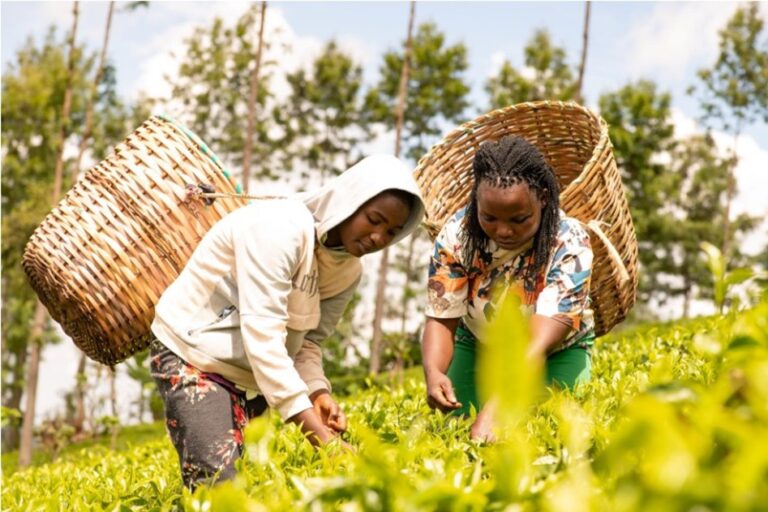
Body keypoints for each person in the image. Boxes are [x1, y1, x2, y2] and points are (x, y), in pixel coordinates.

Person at [150, 154, 425, 488]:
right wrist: (322, 439)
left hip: (250, 376)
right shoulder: (279, 229)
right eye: (374, 219)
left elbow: (307, 343)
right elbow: (263, 339)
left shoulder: (349, 270)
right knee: (218, 484)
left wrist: (319, 394)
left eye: (392, 231)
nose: (379, 237)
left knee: (240, 484)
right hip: (193, 354)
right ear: (349, 201)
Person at [421, 135, 594, 441]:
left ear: (542, 198)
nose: (503, 230)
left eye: (519, 219)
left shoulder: (569, 242)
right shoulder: (456, 236)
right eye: (489, 217)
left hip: (553, 352)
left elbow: (537, 343)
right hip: (478, 345)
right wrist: (434, 371)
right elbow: (441, 315)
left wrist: (496, 408)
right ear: (476, 200)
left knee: (546, 429)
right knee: (455, 430)